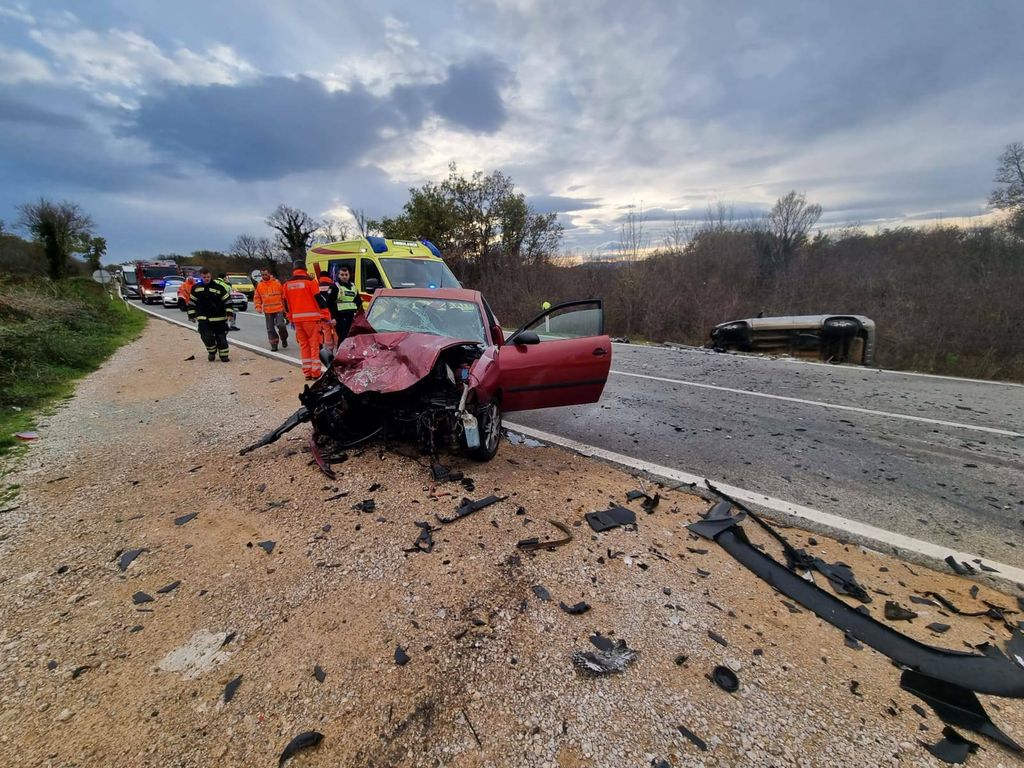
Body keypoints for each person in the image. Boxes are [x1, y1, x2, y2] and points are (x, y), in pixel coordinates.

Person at [284, 261, 329, 379]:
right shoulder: (310, 282)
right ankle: (316, 373)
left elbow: (286, 304)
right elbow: (319, 299)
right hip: (312, 319)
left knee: (304, 346)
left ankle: (307, 372)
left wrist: (290, 317)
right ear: (305, 268)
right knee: (314, 346)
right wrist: (326, 315)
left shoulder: (287, 284)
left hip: (297, 320)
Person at [187, 268, 231, 362]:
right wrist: (191, 315)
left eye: (208, 277)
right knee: (206, 337)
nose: (206, 279)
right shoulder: (196, 288)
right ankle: (212, 351)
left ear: (211, 276)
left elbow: (227, 301)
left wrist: (229, 313)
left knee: (221, 338)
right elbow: (192, 302)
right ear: (201, 277)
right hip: (204, 318)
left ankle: (224, 355)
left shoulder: (219, 287)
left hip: (219, 318)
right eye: (204, 277)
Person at [254, 268, 289, 351]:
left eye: (265, 274)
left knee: (281, 325)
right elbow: (257, 297)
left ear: (269, 274)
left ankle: (284, 338)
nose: (264, 276)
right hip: (268, 310)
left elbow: (283, 296)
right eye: (262, 275)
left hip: (278, 309)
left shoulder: (276, 283)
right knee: (270, 329)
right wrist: (258, 307)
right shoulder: (260, 285)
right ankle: (274, 344)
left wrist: (286, 309)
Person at [335, 265, 360, 344]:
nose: (344, 277)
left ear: (349, 276)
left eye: (346, 275)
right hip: (341, 317)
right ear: (338, 276)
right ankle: (340, 354)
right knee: (343, 337)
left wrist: (359, 313)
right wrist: (333, 317)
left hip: (351, 316)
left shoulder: (353, 286)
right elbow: (330, 303)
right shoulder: (336, 287)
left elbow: (358, 300)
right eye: (342, 275)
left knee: (351, 337)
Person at [318, 272, 339, 352]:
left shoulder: (317, 286)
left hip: (323, 315)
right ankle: (338, 349)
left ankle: (329, 351)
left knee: (327, 332)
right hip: (333, 313)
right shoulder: (334, 286)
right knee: (336, 331)